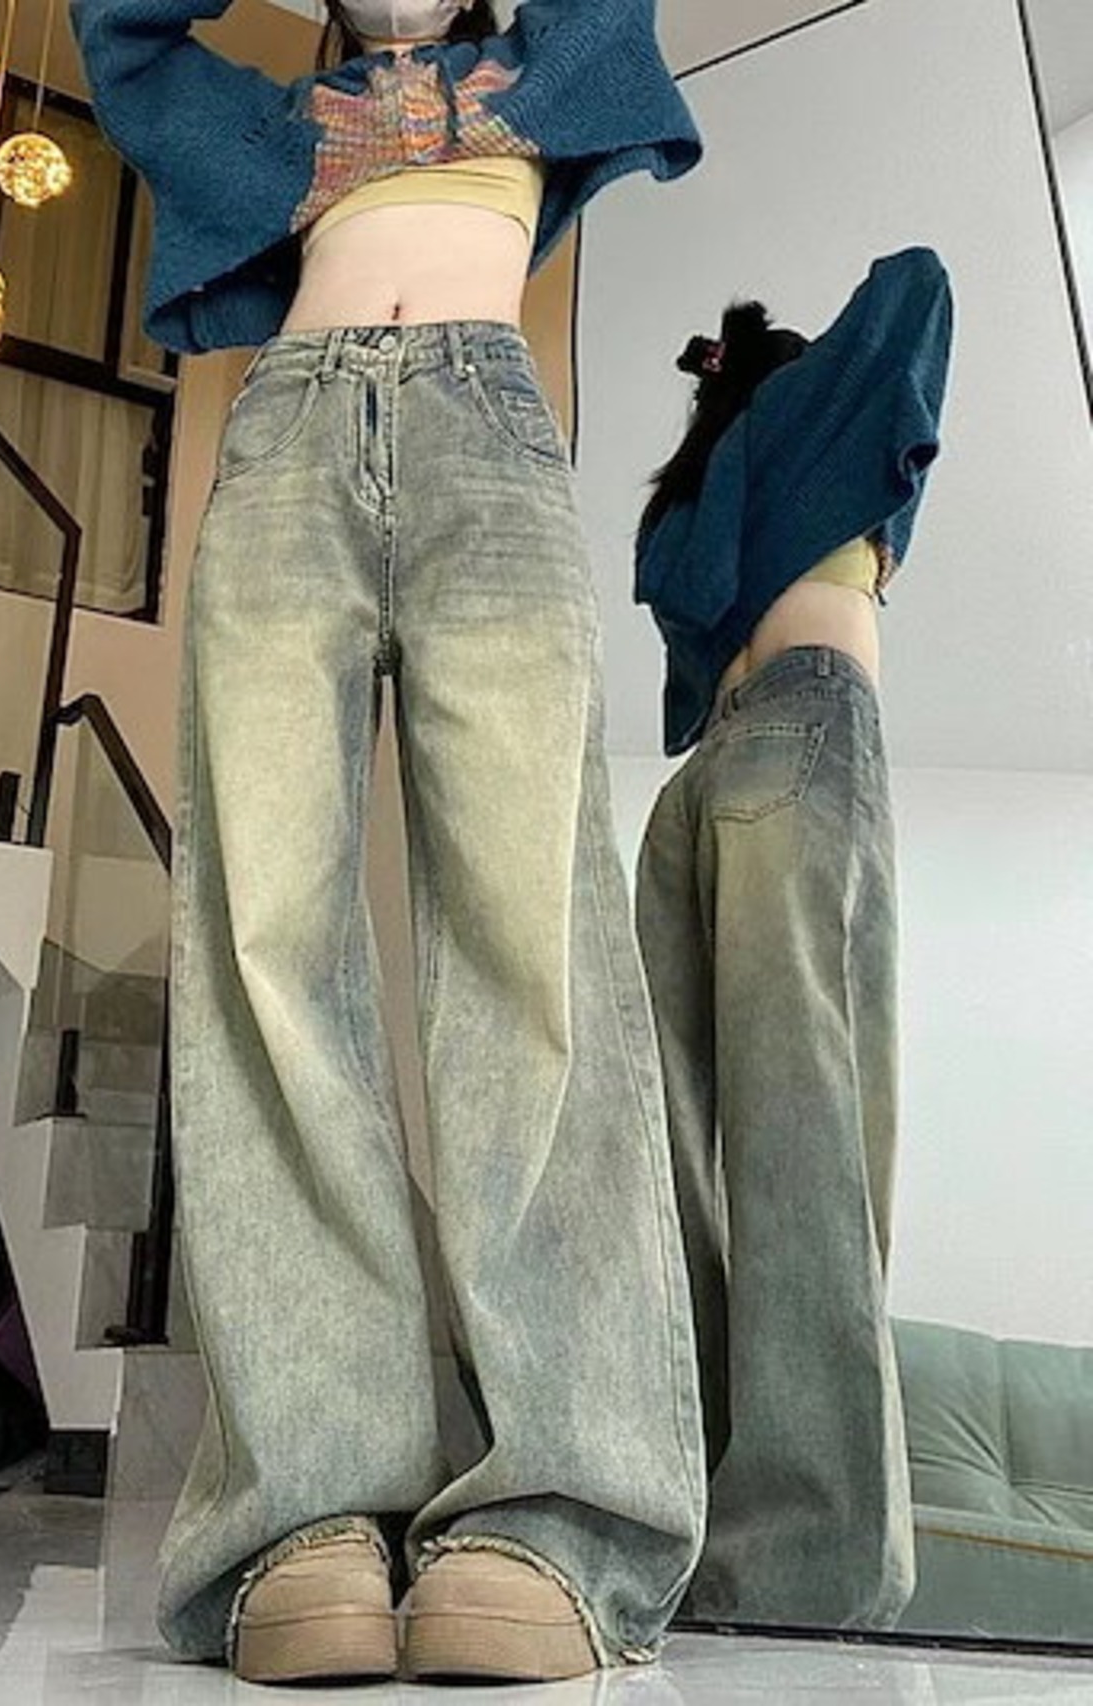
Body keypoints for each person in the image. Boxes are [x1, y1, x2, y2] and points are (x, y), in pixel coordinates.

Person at [71, 0, 707, 1683]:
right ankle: (309, 1508)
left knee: (530, 947)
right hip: (286, 445)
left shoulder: (549, 73)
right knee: (268, 952)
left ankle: (563, 1506)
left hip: (491, 441)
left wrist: (477, 64)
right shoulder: (271, 127)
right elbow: (119, 35)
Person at [633, 247, 953, 1630]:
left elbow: (920, 283)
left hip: (735, 758)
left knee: (703, 1149)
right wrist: (781, 403)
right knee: (769, 1142)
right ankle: (774, 1538)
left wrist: (752, 411)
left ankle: (750, 1530)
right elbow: (919, 289)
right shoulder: (817, 445)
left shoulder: (735, 477)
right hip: (772, 750)